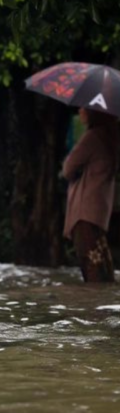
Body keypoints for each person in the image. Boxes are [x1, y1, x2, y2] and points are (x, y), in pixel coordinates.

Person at [62, 107, 120, 283]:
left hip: (84, 212)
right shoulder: (113, 137)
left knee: (92, 269)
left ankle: (94, 309)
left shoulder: (93, 137)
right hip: (99, 212)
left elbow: (67, 169)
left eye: (85, 107)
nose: (80, 111)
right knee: (103, 267)